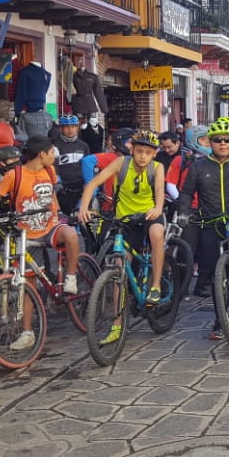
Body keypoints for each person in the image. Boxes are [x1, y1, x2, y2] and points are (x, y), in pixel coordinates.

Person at [0, 136, 84, 350]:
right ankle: (28, 333)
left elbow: (52, 194)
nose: (55, 155)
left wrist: (59, 213)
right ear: (41, 154)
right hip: (27, 234)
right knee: (28, 285)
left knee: (71, 235)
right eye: (52, 152)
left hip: (50, 227)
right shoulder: (13, 175)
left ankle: (71, 276)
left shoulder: (50, 171)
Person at [79, 130, 169, 328]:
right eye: (139, 151)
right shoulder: (122, 163)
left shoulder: (157, 167)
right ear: (132, 150)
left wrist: (157, 208)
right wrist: (84, 208)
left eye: (147, 152)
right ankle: (117, 324)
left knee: (156, 234)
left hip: (149, 215)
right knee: (119, 266)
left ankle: (155, 286)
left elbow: (160, 192)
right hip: (125, 218)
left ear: (154, 153)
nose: (143, 156)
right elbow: (93, 183)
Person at [176, 118, 229, 320]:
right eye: (217, 140)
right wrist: (184, 212)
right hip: (210, 221)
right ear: (209, 142)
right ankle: (219, 320)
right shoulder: (198, 166)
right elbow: (187, 192)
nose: (222, 143)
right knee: (214, 274)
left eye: (227, 140)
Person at [53, 114, 89, 216]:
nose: (70, 130)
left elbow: (87, 167)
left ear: (77, 127)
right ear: (61, 128)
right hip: (62, 187)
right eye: (67, 127)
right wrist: (57, 183)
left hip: (79, 185)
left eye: (73, 126)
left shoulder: (83, 146)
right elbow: (53, 166)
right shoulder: (55, 145)